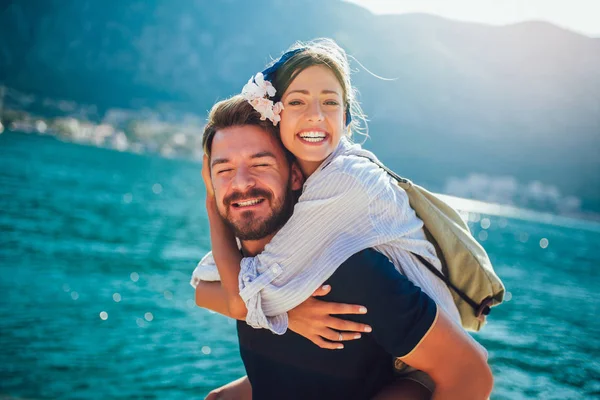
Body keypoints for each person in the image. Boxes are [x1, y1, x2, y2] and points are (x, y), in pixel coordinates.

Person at [192, 96, 493, 399]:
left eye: (261, 164)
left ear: (295, 176)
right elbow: (210, 295)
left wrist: (275, 311)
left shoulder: (354, 272)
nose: (242, 183)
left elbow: (472, 372)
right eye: (224, 170)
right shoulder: (239, 267)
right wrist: (282, 314)